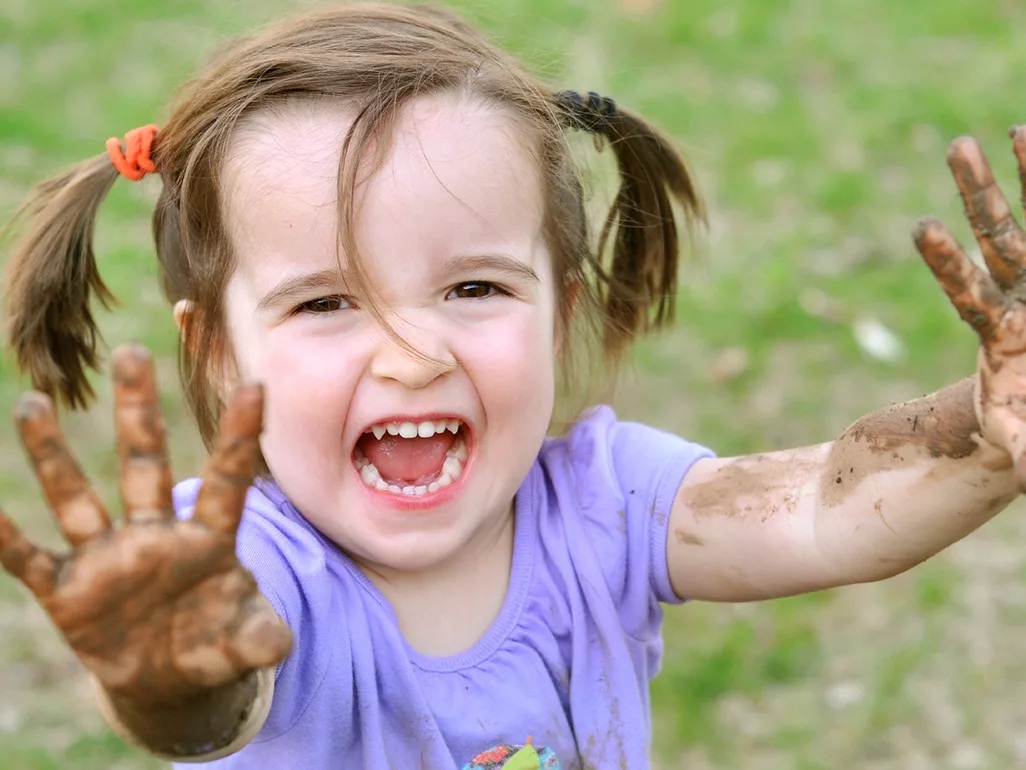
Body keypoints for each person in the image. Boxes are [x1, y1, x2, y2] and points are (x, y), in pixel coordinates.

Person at [1, 3, 1025, 769]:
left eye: (474, 285)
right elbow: (217, 691)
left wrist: (985, 427)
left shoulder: (600, 504)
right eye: (325, 303)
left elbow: (823, 508)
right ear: (220, 352)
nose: (411, 354)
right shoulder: (231, 566)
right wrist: (170, 675)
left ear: (558, 310)